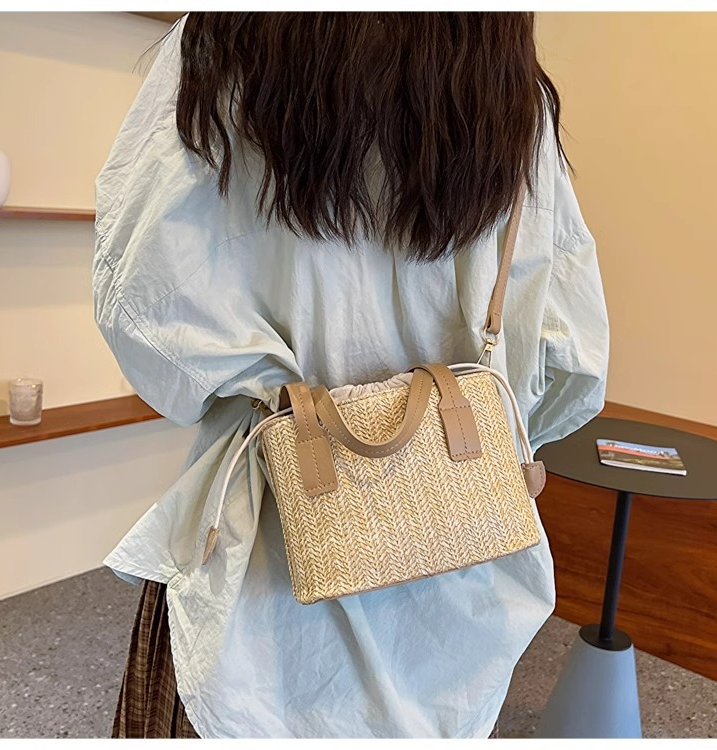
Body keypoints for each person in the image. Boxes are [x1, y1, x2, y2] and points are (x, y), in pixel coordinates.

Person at [93, 12, 609, 739]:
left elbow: (141, 309)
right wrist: (459, 440)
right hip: (457, 585)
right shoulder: (510, 90)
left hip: (257, 569)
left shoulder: (223, 43)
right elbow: (569, 360)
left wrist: (273, 388)